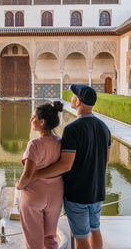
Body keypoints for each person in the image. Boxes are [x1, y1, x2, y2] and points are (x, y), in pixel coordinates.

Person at [34, 85, 111, 249]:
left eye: (74, 95)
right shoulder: (104, 127)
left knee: (82, 237)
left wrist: (36, 174)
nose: (72, 98)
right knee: (95, 230)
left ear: (78, 101)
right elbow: (105, 161)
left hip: (78, 193)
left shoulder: (72, 129)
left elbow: (65, 165)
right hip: (97, 191)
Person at [15, 101, 64, 249]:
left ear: (42, 122)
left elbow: (28, 175)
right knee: (50, 238)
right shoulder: (61, 142)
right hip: (56, 194)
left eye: (33, 117)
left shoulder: (34, 144)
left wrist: (18, 186)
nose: (31, 120)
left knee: (33, 242)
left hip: (34, 195)